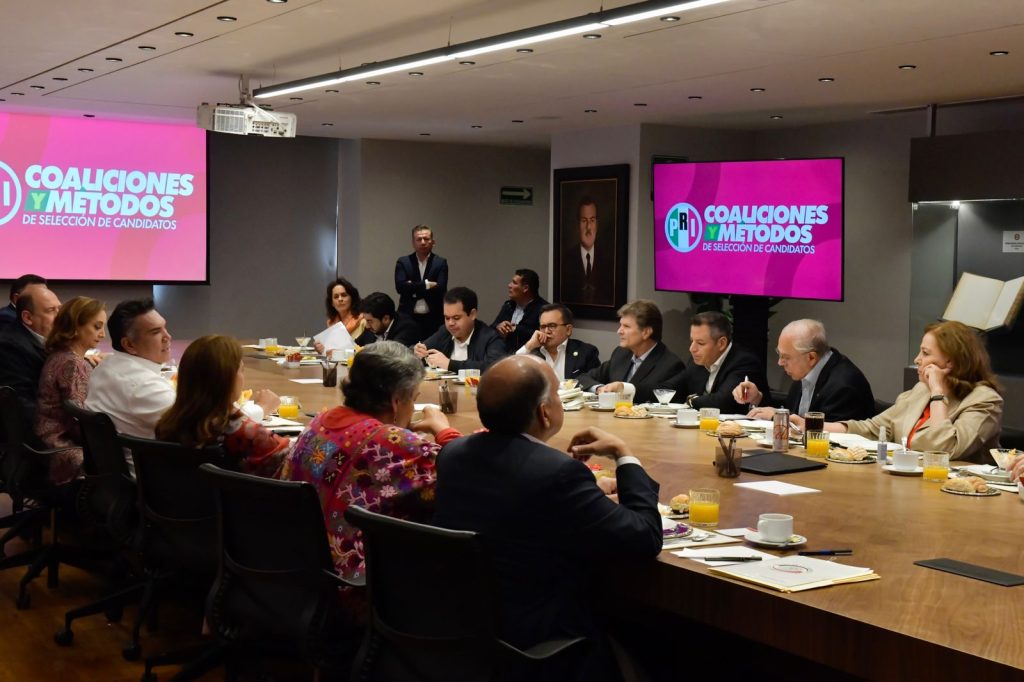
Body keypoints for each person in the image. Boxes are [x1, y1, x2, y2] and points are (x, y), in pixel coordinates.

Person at [434, 356, 662, 681]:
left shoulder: (453, 454)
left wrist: (588, 493)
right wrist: (623, 454)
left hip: (459, 627)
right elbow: (644, 538)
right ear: (545, 412)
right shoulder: (557, 473)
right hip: (537, 641)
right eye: (557, 394)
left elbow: (517, 497)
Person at [281, 341, 462, 585]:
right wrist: (443, 430)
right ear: (396, 402)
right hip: (353, 584)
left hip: (294, 566)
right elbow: (467, 473)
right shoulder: (393, 442)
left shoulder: (320, 421)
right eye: (413, 399)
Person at [811, 321, 1002, 462]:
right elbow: (874, 429)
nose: (917, 359)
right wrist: (812, 426)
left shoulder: (985, 400)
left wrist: (938, 393)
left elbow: (943, 449)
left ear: (950, 362)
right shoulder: (921, 390)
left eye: (925, 353)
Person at [155, 335, 288, 478]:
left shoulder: (166, 425)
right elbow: (293, 465)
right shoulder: (247, 433)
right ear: (227, 379)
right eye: (241, 370)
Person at [733, 319, 875, 421]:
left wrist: (779, 417)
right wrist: (758, 398)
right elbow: (795, 413)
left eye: (786, 357)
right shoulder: (808, 369)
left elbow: (826, 435)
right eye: (779, 354)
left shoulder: (843, 387)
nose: (780, 362)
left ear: (811, 357)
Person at [33, 297, 106, 484]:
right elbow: (80, 421)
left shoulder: (61, 355)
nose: (103, 334)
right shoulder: (73, 363)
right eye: (97, 327)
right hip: (62, 445)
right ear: (75, 326)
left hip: (46, 438)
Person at [85, 298, 177, 439]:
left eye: (165, 328)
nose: (168, 336)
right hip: (153, 453)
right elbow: (198, 430)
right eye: (155, 332)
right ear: (129, 345)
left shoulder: (106, 365)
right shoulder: (145, 387)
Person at [579, 300, 685, 404]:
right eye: (620, 325)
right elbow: (583, 378)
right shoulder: (620, 353)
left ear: (646, 332)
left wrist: (622, 388)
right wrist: (600, 388)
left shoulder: (671, 365)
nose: (619, 331)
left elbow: (655, 394)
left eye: (626, 326)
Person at [667, 311, 768, 413]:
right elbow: (671, 388)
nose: (692, 349)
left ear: (721, 343)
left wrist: (690, 401)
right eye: (692, 341)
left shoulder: (745, 362)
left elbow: (722, 402)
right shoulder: (698, 360)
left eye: (700, 343)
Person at [0, 288, 62, 427]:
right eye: (51, 310)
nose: (60, 317)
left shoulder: (47, 337)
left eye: (60, 309)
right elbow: (20, 403)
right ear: (28, 317)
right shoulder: (10, 347)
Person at [413, 287, 505, 372]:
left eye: (456, 318)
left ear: (472, 314)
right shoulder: (445, 332)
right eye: (447, 318)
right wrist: (417, 351)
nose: (450, 323)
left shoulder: (491, 338)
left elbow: (495, 368)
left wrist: (449, 364)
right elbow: (418, 351)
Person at [515, 303, 600, 381]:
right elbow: (512, 376)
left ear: (568, 330)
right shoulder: (532, 353)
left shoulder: (586, 352)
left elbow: (594, 384)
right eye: (543, 327)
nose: (547, 331)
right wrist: (529, 346)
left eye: (552, 326)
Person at [395, 225, 449, 339]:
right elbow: (400, 288)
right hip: (408, 317)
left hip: (433, 318)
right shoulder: (404, 262)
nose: (423, 242)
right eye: (419, 239)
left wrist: (412, 288)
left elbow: (441, 289)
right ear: (413, 243)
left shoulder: (440, 262)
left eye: (426, 239)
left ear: (433, 242)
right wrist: (427, 285)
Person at [560, 197, 614, 306]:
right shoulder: (565, 261)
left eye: (592, 220)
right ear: (577, 225)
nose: (588, 227)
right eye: (584, 221)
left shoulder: (609, 262)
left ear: (597, 224)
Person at [491, 268, 548, 353]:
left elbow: (544, 336)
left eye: (514, 283)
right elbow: (490, 330)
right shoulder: (508, 305)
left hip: (531, 356)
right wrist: (498, 327)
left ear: (525, 288)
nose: (509, 285)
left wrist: (516, 329)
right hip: (504, 354)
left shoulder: (544, 309)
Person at [314, 277, 375, 353]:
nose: (340, 299)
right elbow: (331, 351)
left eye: (344, 295)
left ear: (352, 298)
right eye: (336, 297)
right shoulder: (332, 323)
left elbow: (367, 350)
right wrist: (322, 349)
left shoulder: (363, 321)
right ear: (332, 303)